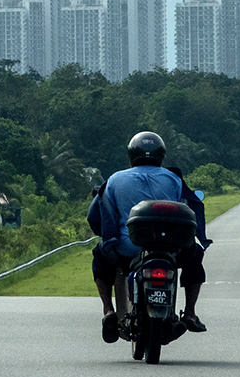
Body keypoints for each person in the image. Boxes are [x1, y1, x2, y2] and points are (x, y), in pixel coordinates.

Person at [89, 131, 209, 343]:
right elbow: (188, 208)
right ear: (161, 154)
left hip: (129, 247)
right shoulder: (173, 179)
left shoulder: (115, 180)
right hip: (171, 248)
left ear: (131, 154)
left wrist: (108, 236)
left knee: (100, 257)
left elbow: (95, 216)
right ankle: (190, 313)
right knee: (195, 256)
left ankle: (108, 312)